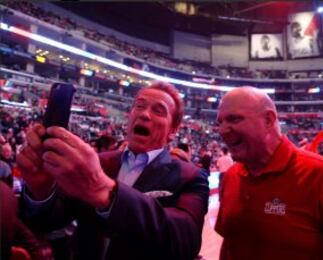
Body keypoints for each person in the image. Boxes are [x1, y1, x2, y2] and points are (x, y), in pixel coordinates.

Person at [17, 81, 209, 260]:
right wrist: (40, 189)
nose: (144, 114)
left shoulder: (190, 176)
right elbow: (47, 222)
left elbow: (185, 240)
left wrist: (102, 190)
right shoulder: (99, 162)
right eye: (139, 106)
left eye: (158, 111)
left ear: (173, 129)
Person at [215, 87, 323, 259]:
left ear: (268, 120)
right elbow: (231, 246)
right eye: (220, 122)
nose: (222, 130)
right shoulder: (231, 176)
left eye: (234, 119)